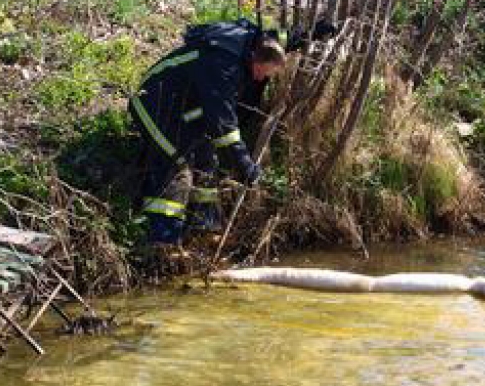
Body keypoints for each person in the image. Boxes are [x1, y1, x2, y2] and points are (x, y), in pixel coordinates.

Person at [129, 17, 335, 251]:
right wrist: (246, 167)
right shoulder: (222, 67)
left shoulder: (256, 43)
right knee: (178, 167)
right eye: (262, 72)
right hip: (154, 105)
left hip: (185, 112)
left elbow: (283, 40)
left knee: (206, 162)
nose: (261, 79)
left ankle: (202, 233)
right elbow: (224, 127)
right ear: (253, 60)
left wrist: (314, 30)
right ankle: (163, 244)